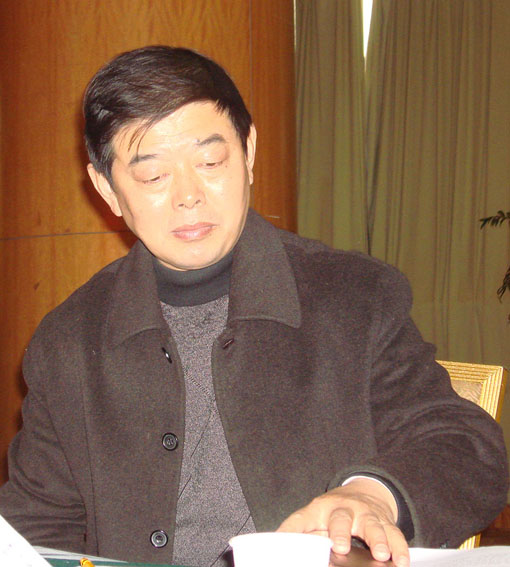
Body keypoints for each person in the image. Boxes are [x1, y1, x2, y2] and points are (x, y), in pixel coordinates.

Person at [0, 46, 507, 567]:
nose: (188, 196)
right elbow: (37, 527)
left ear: (248, 152)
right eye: (153, 177)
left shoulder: (354, 297)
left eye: (210, 162)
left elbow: (464, 446)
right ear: (107, 189)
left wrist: (371, 495)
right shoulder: (70, 339)